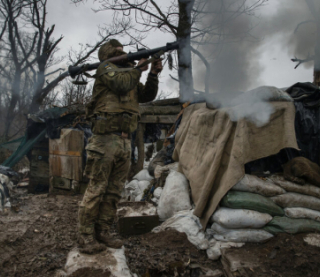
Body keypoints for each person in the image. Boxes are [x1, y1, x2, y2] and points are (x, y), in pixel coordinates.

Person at [78, 39, 162, 254]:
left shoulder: (129, 74)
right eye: (119, 53)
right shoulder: (106, 69)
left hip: (125, 141)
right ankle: (86, 236)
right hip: (104, 140)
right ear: (109, 54)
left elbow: (146, 96)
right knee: (97, 189)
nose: (125, 55)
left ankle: (103, 231)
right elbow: (122, 84)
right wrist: (139, 69)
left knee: (114, 191)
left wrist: (152, 74)